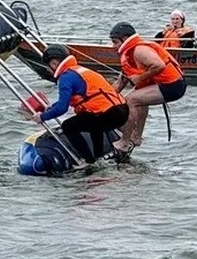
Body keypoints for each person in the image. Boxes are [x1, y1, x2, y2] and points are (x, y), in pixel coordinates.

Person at [31, 44, 129, 164]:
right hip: (122, 110)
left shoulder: (65, 77)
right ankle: (98, 158)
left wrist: (42, 117)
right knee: (91, 120)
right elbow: (80, 99)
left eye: (47, 66)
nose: (47, 70)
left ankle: (88, 161)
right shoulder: (79, 70)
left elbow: (62, 108)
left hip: (108, 114)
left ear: (54, 64)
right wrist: (52, 107)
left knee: (68, 126)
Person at [109, 22, 187, 157]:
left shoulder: (139, 50)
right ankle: (136, 136)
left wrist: (140, 78)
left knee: (131, 100)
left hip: (173, 85)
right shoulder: (127, 55)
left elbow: (159, 65)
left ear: (125, 39)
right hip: (165, 85)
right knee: (138, 98)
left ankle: (125, 141)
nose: (113, 47)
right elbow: (118, 85)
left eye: (115, 42)